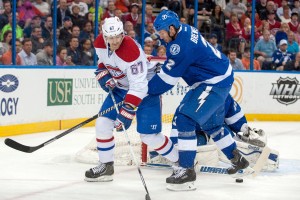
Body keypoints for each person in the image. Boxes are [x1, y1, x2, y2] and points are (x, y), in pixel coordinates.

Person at [149, 10, 249, 191]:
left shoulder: (179, 46)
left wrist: (144, 91)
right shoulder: (184, 29)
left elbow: (167, 81)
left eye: (162, 32)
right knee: (212, 126)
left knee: (185, 119)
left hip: (213, 82)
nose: (161, 37)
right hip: (218, 77)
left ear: (172, 29)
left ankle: (186, 169)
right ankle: (237, 159)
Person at [84, 16, 178, 182]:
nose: (114, 42)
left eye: (117, 37)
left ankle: (181, 162)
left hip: (145, 90)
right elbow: (103, 62)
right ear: (104, 36)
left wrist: (126, 113)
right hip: (121, 89)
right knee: (102, 123)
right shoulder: (99, 42)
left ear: (123, 34)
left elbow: (139, 87)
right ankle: (106, 166)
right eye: (110, 38)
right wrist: (103, 74)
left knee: (149, 137)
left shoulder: (131, 52)